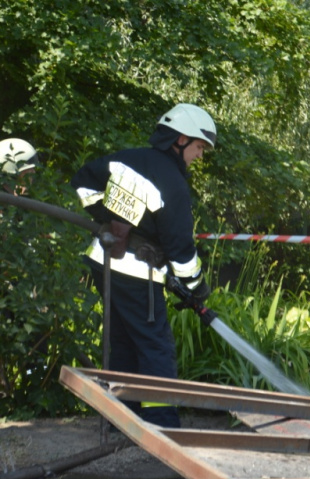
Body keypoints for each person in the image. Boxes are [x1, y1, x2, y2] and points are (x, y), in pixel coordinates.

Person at [71, 103, 216, 428]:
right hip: (137, 275)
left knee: (122, 342)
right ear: (180, 141)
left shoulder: (127, 158)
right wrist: (196, 288)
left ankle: (124, 418)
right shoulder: (172, 184)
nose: (200, 156)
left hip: (103, 263)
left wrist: (106, 220)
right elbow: (181, 250)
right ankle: (161, 426)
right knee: (154, 348)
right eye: (199, 147)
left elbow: (82, 181)